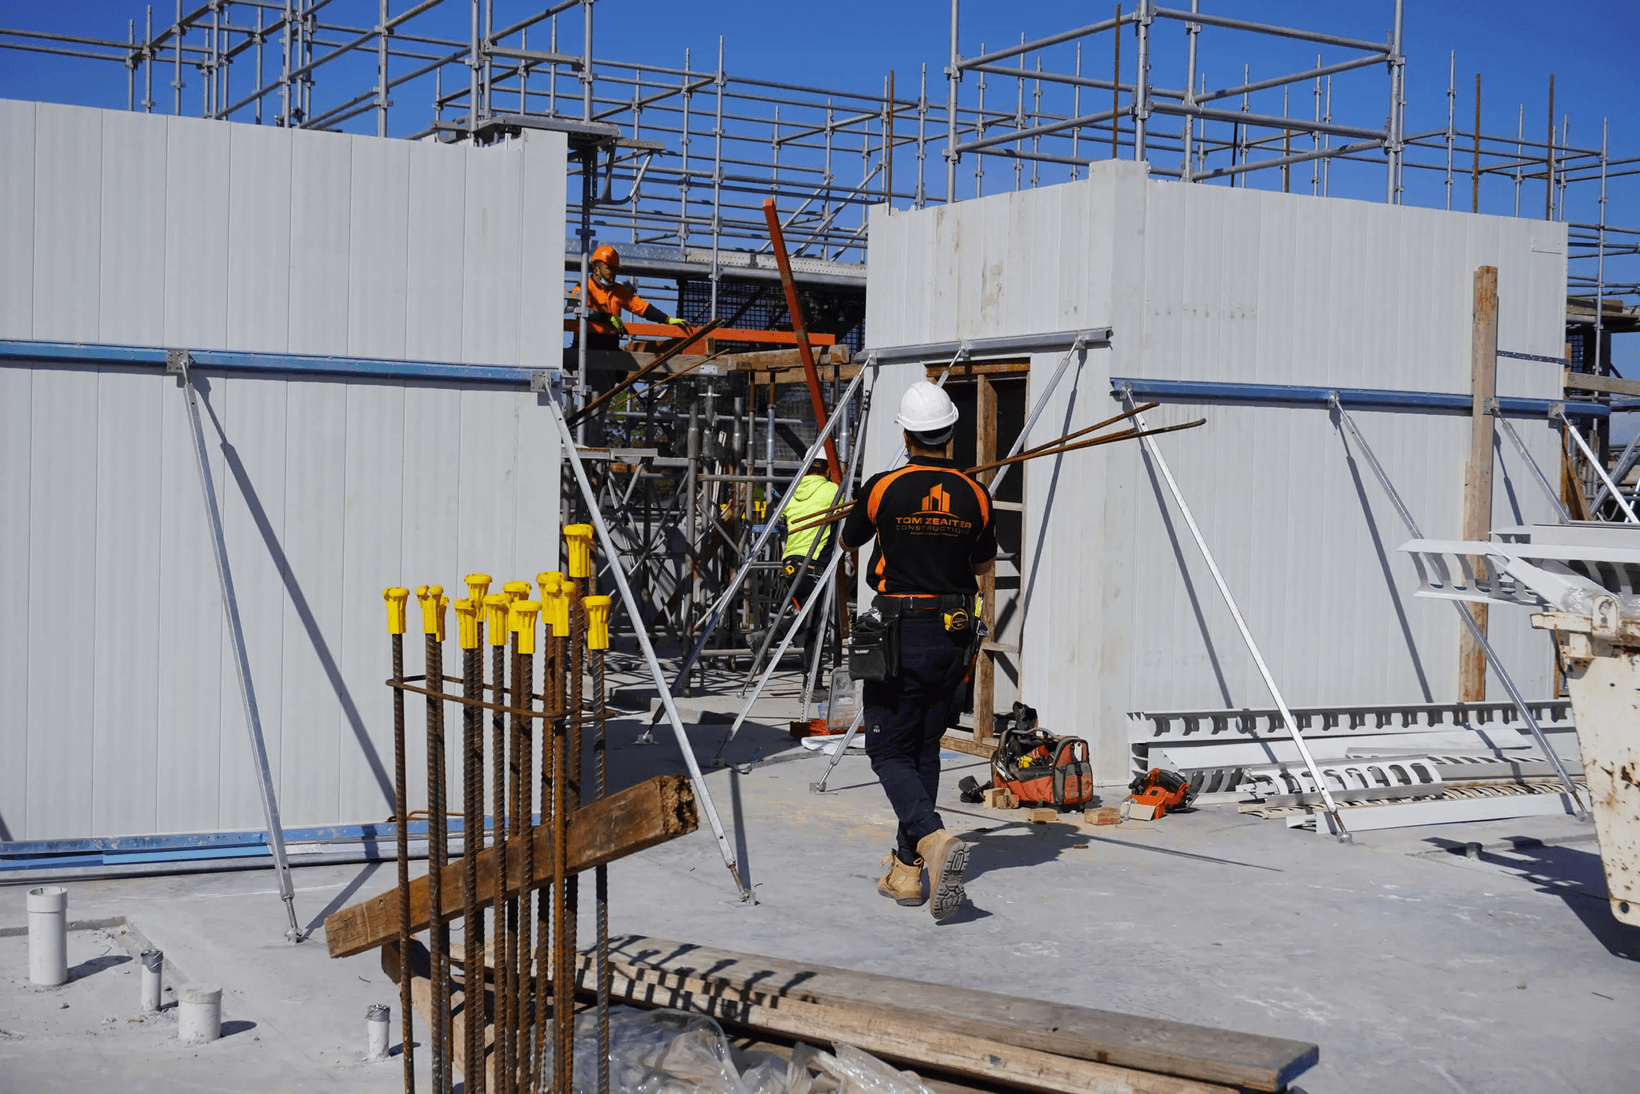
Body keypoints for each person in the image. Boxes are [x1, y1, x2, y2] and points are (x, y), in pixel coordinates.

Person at [840, 380, 995, 922]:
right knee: (925, 750)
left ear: (907, 433)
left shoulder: (883, 488)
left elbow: (850, 541)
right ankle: (908, 871)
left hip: (899, 631)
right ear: (951, 432)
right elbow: (980, 561)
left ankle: (930, 836)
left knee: (887, 752)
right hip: (952, 632)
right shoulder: (976, 494)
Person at [568, 245, 690, 353]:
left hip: (609, 345)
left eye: (615, 269)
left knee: (621, 373)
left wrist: (668, 320)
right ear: (596, 269)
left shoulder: (618, 290)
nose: (613, 273)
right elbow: (583, 312)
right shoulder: (583, 287)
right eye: (609, 269)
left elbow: (641, 307)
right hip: (587, 344)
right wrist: (609, 318)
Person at [781, 458, 841, 659]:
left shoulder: (793, 493)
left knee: (813, 621)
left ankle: (813, 681)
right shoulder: (833, 490)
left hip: (790, 564)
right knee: (813, 623)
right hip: (812, 565)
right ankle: (768, 635)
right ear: (827, 473)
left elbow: (784, 517)